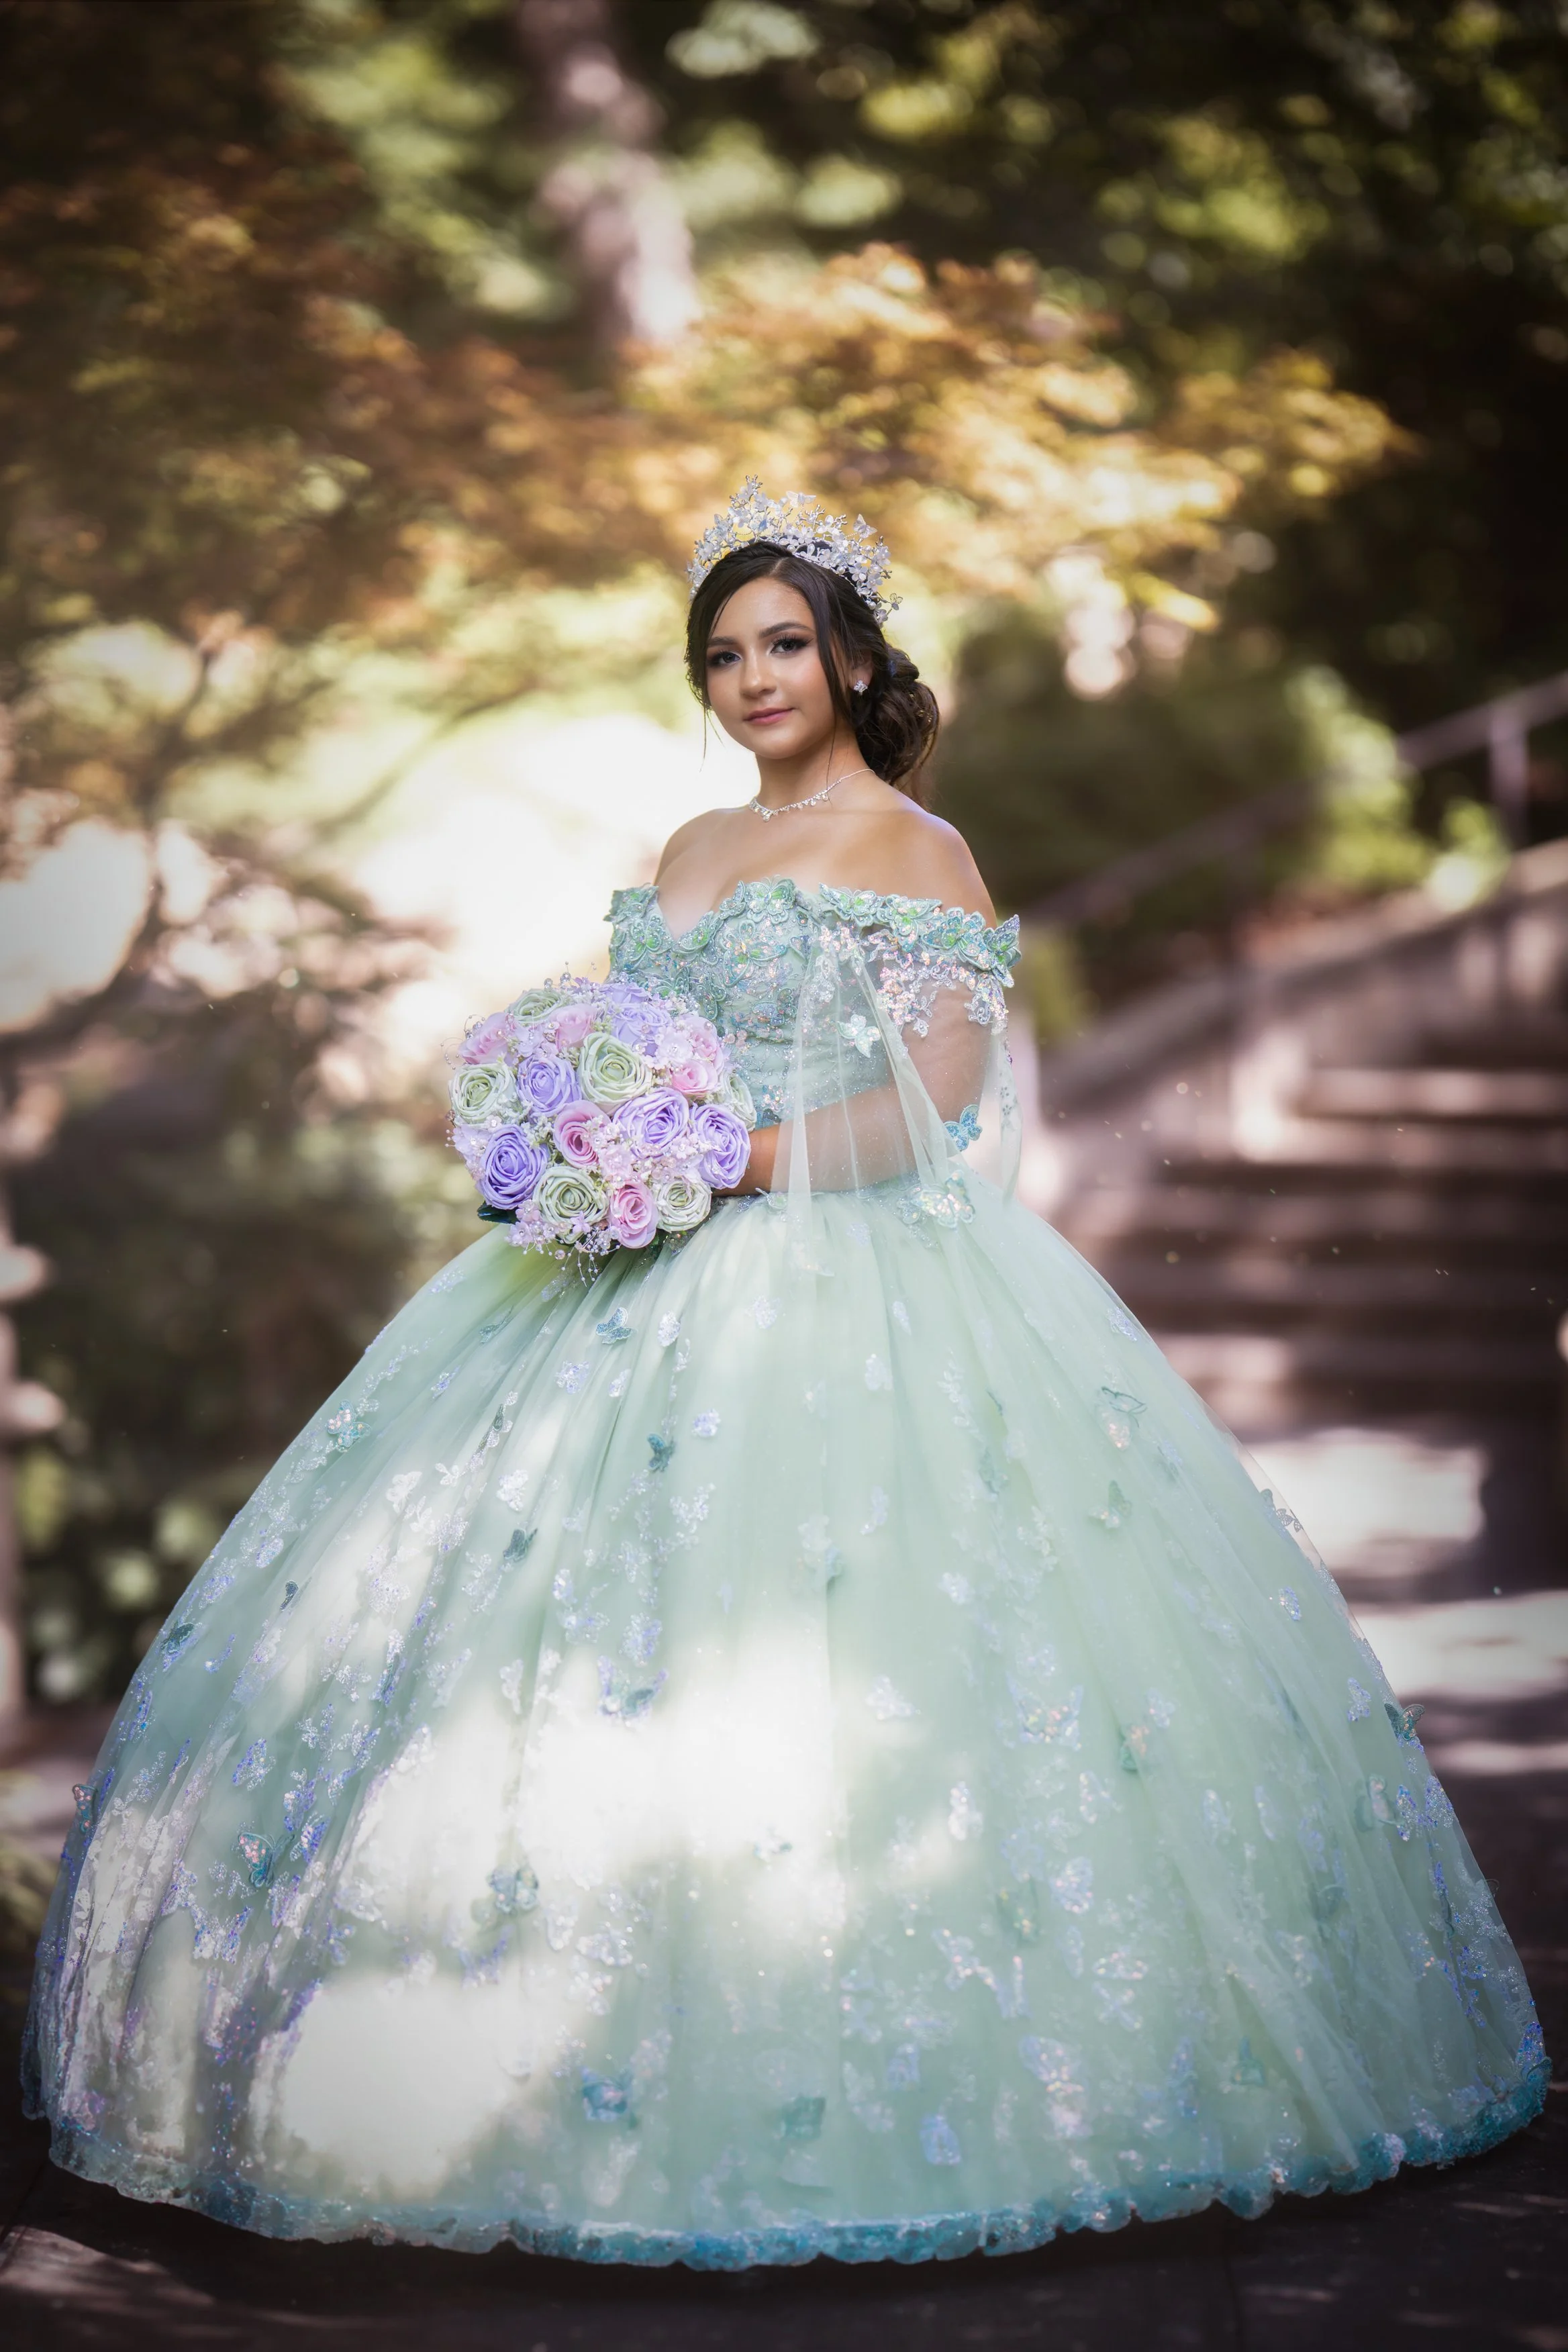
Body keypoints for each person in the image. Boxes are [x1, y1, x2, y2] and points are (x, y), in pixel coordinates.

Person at [23, 485, 1545, 2268]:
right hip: (611, 1285)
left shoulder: (918, 848)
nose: (754, 675)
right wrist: (583, 1136)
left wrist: (715, 1159)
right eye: (725, 651)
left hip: (857, 1287)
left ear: (848, 656)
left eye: (784, 642)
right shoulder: (684, 851)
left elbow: (937, 1105)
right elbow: (636, 1036)